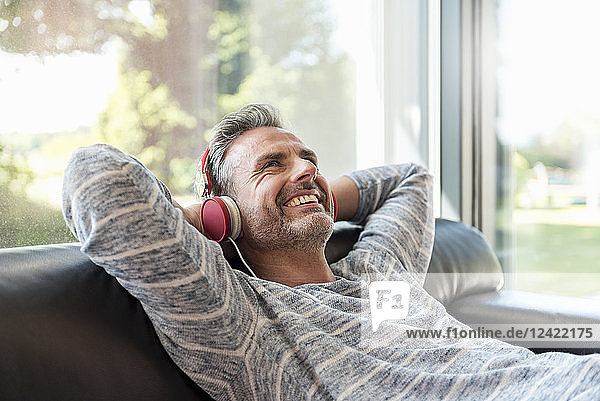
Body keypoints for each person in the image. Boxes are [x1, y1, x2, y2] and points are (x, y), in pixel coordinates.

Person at [62, 104, 600, 401]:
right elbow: (98, 180)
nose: (305, 169)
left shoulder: (378, 272)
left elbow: (409, 180)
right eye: (271, 164)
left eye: (309, 159)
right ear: (224, 209)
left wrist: (308, 191)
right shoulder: (242, 322)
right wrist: (214, 220)